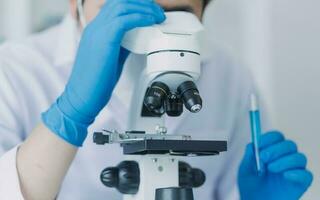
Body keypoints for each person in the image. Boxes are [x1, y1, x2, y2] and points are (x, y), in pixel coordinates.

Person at [0, 0, 313, 199]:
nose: (156, 31)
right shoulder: (14, 72)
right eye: (124, 11)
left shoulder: (230, 77)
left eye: (177, 15)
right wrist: (69, 112)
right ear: (75, 5)